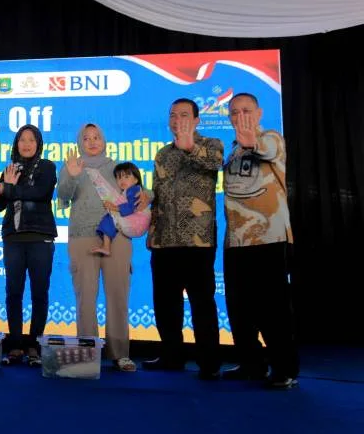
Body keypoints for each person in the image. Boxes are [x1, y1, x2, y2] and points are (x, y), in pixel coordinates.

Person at [221, 93, 299, 389]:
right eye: (234, 112)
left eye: (246, 110)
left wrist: (252, 141)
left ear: (259, 113)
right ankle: (251, 364)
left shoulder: (272, 139)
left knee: (274, 309)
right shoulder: (233, 151)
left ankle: (285, 369)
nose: (240, 116)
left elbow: (266, 149)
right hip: (236, 242)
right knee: (239, 309)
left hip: (269, 239)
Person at [143, 98, 223, 380]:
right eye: (173, 115)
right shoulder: (163, 154)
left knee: (202, 304)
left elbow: (214, 163)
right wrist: (152, 233)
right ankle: (172, 356)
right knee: (165, 304)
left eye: (185, 115)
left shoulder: (211, 145)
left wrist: (189, 145)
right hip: (164, 242)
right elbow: (158, 197)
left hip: (197, 242)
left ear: (197, 120)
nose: (178, 120)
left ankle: (209, 362)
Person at [58, 124, 145, 373]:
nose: (92, 142)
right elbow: (63, 196)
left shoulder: (116, 168)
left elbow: (138, 190)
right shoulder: (71, 166)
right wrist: (72, 175)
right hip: (82, 237)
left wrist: (147, 195)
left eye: (96, 137)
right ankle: (88, 354)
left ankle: (120, 354)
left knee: (118, 296)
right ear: (80, 142)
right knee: (85, 298)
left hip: (117, 237)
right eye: (86, 138)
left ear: (104, 140)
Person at [0, 124, 57, 367]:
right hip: (13, 238)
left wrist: (10, 188)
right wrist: (1, 189)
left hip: (40, 237)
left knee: (39, 293)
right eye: (22, 140)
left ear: (38, 143)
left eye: (31, 140)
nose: (27, 144)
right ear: (16, 144)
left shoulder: (47, 166)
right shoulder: (10, 169)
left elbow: (40, 193)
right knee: (13, 293)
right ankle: (16, 344)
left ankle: (34, 345)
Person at [91, 162, 151, 256]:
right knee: (109, 218)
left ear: (136, 179)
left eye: (126, 177)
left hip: (137, 222)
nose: (122, 180)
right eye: (119, 178)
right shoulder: (126, 191)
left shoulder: (134, 190)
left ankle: (106, 246)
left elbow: (131, 206)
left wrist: (114, 207)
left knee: (109, 217)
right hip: (136, 225)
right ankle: (106, 246)